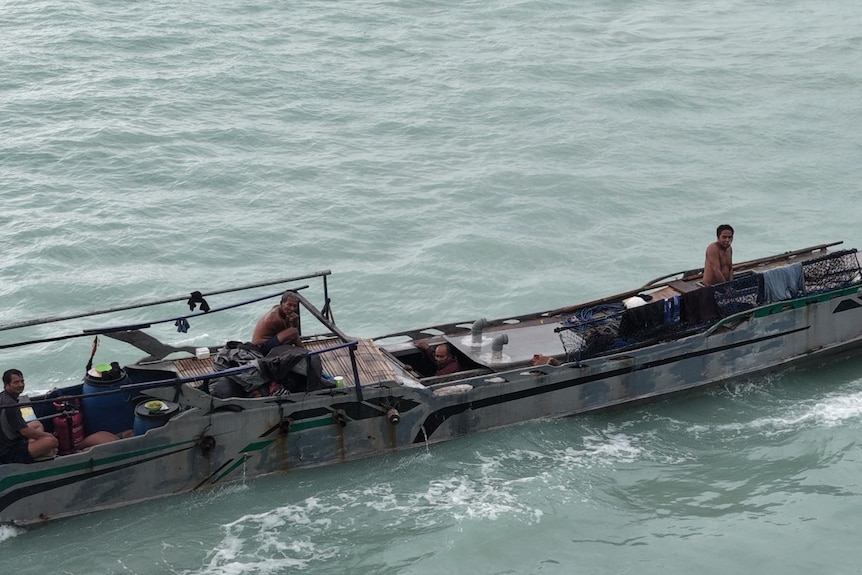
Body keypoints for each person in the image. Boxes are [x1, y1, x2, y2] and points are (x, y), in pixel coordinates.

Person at [0, 369, 59, 463]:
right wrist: (49, 436)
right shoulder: (10, 405)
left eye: (22, 381)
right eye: (16, 382)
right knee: (51, 442)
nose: (20, 385)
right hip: (9, 451)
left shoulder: (3, 396)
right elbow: (25, 431)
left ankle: (37, 448)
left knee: (37, 424)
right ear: (6, 385)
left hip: (12, 439)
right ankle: (38, 453)